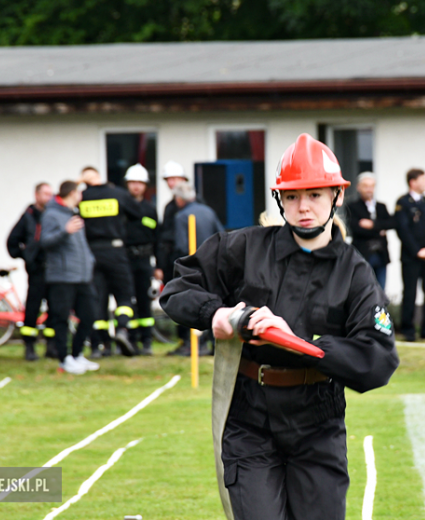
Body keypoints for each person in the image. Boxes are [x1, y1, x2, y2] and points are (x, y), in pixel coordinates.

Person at [160, 133, 398, 520]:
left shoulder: (355, 273)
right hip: (249, 421)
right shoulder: (243, 248)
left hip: (318, 425)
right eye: (292, 197)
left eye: (315, 195)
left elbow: (377, 360)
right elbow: (177, 289)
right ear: (279, 199)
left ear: (336, 197)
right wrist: (215, 315)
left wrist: (300, 343)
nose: (303, 207)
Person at [79, 166, 141, 357]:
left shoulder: (81, 196)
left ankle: (101, 344)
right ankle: (122, 330)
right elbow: (137, 213)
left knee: (98, 299)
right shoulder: (117, 194)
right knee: (124, 296)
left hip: (92, 253)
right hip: (115, 251)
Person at [39, 181, 99, 375]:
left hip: (82, 276)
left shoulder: (72, 213)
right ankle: (64, 359)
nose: (81, 197)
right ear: (72, 193)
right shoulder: (51, 214)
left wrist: (90, 261)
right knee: (61, 318)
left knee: (90, 314)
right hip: (62, 277)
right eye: (79, 193)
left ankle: (77, 354)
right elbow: (45, 242)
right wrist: (65, 231)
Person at [169, 182, 225, 356]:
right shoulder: (208, 211)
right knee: (215, 302)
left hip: (195, 268)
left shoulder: (181, 216)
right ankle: (214, 346)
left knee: (193, 303)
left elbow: (181, 247)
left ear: (179, 199)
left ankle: (189, 345)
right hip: (215, 265)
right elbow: (222, 235)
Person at [6, 182, 57, 361]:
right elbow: (12, 241)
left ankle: (52, 345)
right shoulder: (28, 216)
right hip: (37, 269)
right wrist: (27, 256)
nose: (48, 198)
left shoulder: (54, 215)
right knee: (33, 307)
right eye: (45, 194)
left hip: (54, 269)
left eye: (51, 194)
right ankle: (29, 345)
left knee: (55, 307)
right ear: (36, 195)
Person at [395, 168, 425, 342]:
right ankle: (408, 330)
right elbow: (403, 230)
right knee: (410, 293)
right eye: (423, 179)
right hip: (411, 257)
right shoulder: (403, 203)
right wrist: (417, 251)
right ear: (412, 182)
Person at [123, 164, 159, 356]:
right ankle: (130, 339)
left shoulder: (150, 209)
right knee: (127, 301)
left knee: (145, 301)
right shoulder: (121, 206)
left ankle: (146, 341)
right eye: (133, 182)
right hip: (125, 260)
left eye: (140, 183)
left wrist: (158, 265)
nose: (136, 186)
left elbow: (157, 238)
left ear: (145, 185)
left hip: (144, 260)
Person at [345, 172, 396, 288]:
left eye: (372, 186)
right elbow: (356, 229)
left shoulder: (381, 207)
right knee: (364, 287)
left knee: (380, 288)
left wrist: (372, 225)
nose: (369, 189)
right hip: (363, 253)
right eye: (366, 186)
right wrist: (380, 229)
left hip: (381, 254)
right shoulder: (353, 206)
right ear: (359, 187)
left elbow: (392, 223)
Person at [155, 160, 189, 285]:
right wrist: (160, 265)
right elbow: (164, 238)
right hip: (172, 260)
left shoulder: (196, 206)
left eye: (174, 179)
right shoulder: (169, 207)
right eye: (168, 180)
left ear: (183, 180)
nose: (171, 183)